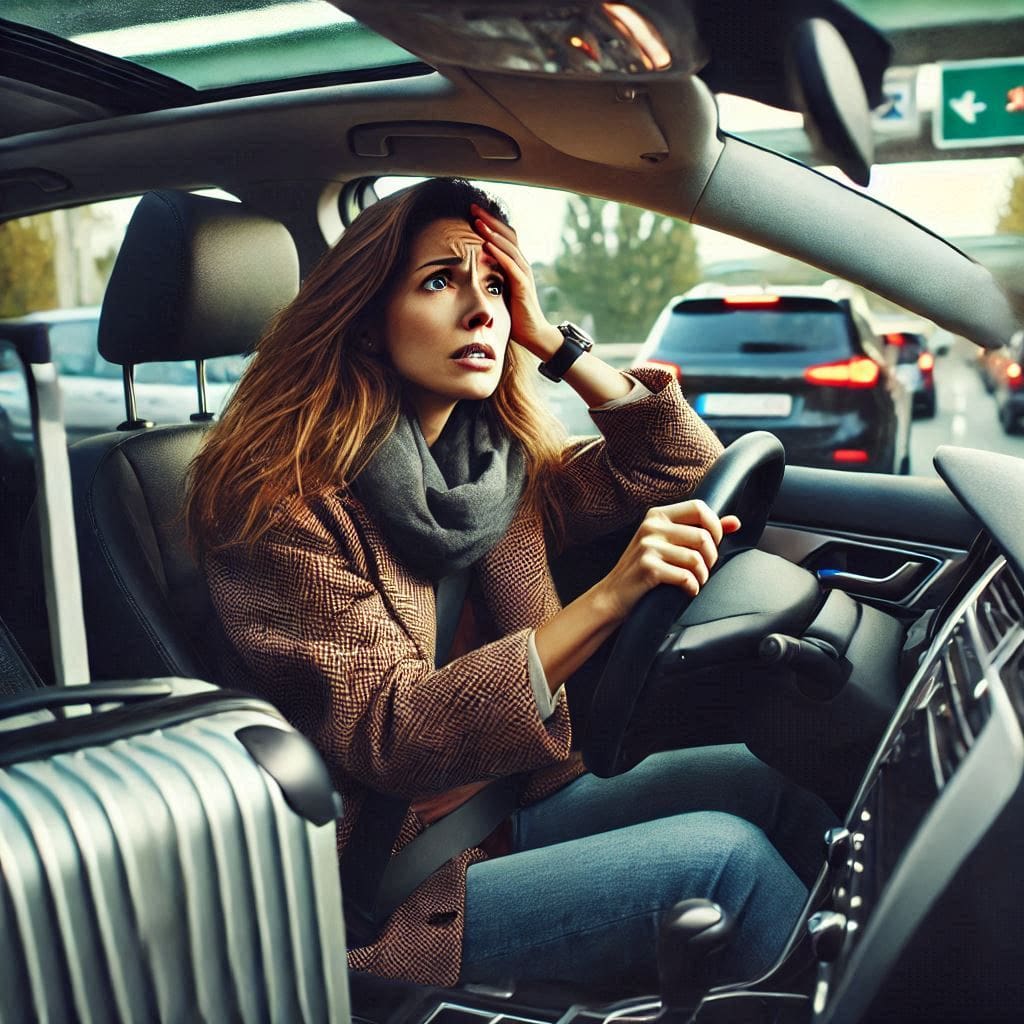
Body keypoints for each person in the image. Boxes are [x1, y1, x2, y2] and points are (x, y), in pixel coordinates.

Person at [185, 178, 834, 995]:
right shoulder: (278, 506)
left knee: (772, 779)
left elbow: (690, 468)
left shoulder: (488, 468)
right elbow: (394, 734)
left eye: (493, 285)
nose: (481, 310)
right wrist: (610, 599)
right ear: (369, 324)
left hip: (513, 802)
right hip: (398, 880)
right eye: (438, 282)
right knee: (726, 865)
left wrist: (551, 340)